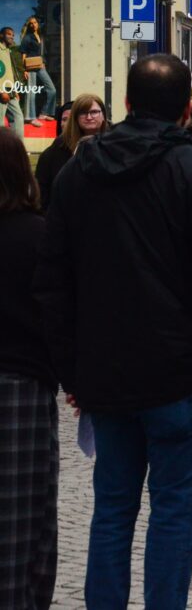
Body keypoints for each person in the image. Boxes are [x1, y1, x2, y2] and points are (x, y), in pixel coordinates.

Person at [33, 54, 192, 609]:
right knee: (174, 513)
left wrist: (71, 368)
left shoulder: (80, 170)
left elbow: (52, 278)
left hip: (106, 371)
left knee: (112, 509)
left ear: (126, 104)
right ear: (187, 110)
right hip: (182, 372)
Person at [0, 128, 56, 609]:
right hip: (21, 389)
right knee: (22, 527)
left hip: (24, 381)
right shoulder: (38, 235)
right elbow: (57, 316)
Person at [34, 94, 109, 213]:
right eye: (83, 113)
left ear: (103, 115)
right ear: (76, 117)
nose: (89, 117)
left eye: (94, 112)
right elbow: (42, 196)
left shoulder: (116, 144)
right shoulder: (56, 150)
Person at [19, 17, 57, 124]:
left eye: (35, 22)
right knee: (31, 92)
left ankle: (44, 113)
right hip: (30, 67)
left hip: (40, 66)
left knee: (52, 89)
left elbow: (41, 53)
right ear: (29, 26)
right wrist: (24, 70)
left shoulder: (40, 36)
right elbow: (23, 54)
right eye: (31, 23)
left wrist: (43, 62)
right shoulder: (27, 37)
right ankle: (30, 117)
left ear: (38, 24)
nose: (33, 25)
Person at [1, 26, 26, 134]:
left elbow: (9, 73)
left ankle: (16, 148)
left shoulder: (8, 51)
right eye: (9, 34)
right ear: (1, 35)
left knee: (18, 118)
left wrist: (14, 90)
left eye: (13, 35)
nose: (12, 37)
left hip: (10, 90)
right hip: (2, 90)